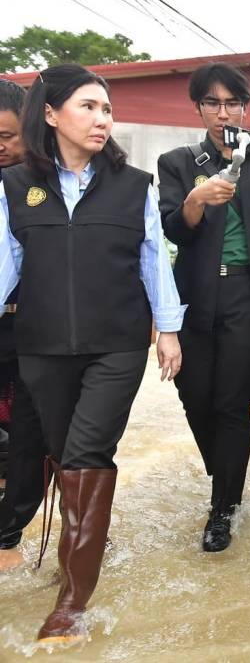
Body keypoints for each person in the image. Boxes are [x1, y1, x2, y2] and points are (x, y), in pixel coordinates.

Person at [0, 64, 183, 642]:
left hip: (117, 345)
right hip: (43, 347)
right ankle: (73, 557)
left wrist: (169, 330)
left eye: (107, 109)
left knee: (85, 453)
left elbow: (155, 261)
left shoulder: (135, 187)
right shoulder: (14, 187)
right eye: (88, 107)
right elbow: (7, 265)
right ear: (50, 115)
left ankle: (72, 604)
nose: (102, 119)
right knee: (60, 450)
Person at [158, 62, 250, 553]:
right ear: (199, 108)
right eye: (213, 103)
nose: (223, 112)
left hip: (249, 295)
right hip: (196, 294)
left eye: (232, 103)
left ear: (245, 108)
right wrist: (196, 200)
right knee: (194, 395)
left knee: (231, 403)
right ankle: (223, 469)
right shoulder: (180, 162)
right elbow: (173, 230)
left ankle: (223, 506)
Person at [0, 78, 47, 573]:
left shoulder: (45, 187)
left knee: (37, 438)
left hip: (36, 334)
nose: (0, 149)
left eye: (6, 137)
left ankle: (17, 533)